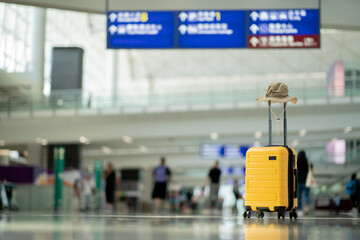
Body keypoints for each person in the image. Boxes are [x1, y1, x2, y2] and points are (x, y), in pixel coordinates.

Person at [297, 150, 310, 215]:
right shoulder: (307, 162)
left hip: (298, 181)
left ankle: (300, 210)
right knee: (306, 196)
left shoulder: (297, 161)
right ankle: (306, 208)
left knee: (299, 196)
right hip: (306, 181)